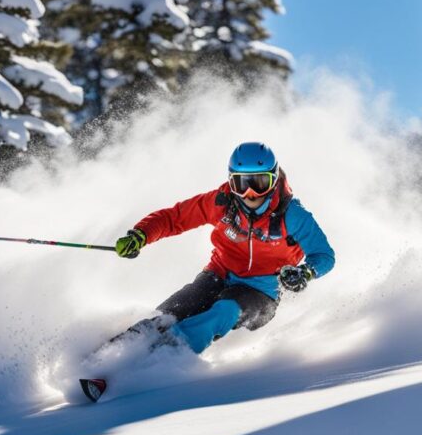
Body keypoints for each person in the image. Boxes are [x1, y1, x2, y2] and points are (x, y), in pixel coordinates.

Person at [79, 142, 336, 402]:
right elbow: (174, 217)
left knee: (220, 313)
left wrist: (305, 273)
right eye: (241, 183)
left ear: (274, 179)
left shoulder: (292, 214)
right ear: (230, 182)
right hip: (219, 274)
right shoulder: (223, 202)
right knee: (171, 313)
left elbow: (324, 255)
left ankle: (146, 369)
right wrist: (141, 234)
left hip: (262, 292)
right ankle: (103, 358)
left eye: (258, 182)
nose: (249, 193)